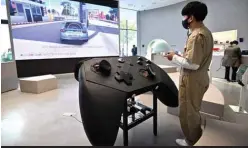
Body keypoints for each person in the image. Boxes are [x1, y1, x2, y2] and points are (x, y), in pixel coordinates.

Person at [165, 1, 213, 146]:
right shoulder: (206, 32)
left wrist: (173, 57)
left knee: (189, 111)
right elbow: (195, 58)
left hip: (192, 79)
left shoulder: (196, 36)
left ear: (191, 18)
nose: (184, 19)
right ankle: (194, 137)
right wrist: (179, 55)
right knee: (193, 109)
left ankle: (191, 140)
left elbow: (192, 64)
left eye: (185, 16)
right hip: (200, 78)